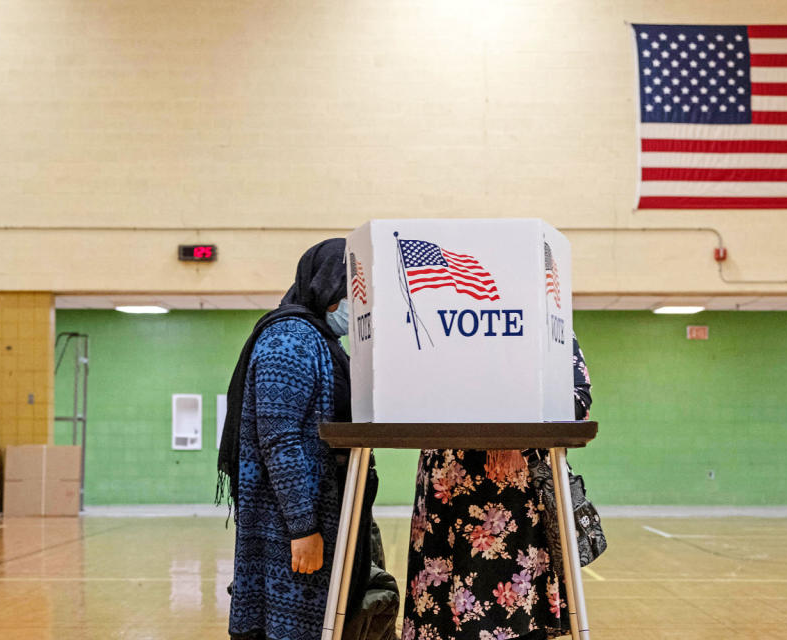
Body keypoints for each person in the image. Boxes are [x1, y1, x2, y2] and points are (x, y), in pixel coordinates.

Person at [217, 238, 378, 640]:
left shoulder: (325, 342)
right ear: (327, 288)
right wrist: (302, 529)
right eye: (353, 293)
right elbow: (280, 440)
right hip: (292, 525)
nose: (361, 305)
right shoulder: (288, 340)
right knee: (295, 627)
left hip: (329, 511)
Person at [402, 334, 593, 640]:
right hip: (449, 491)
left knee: (522, 621)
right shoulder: (442, 319)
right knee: (443, 619)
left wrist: (508, 391)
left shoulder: (546, 328)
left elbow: (578, 402)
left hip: (522, 499)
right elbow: (413, 392)